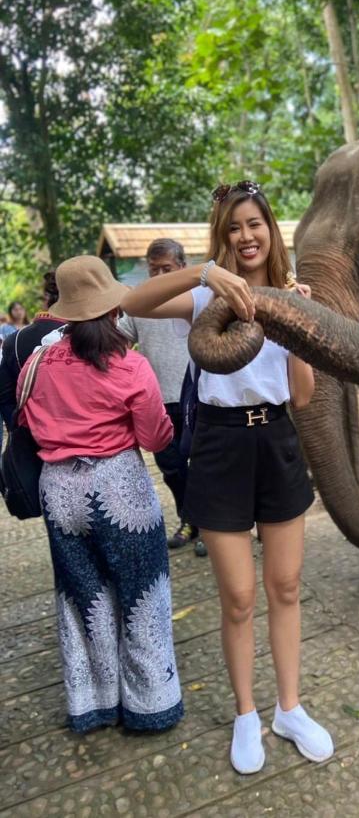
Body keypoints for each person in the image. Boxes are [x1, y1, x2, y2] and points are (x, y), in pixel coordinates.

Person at [121, 179, 333, 774]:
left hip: (278, 441)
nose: (246, 236)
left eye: (255, 224)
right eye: (235, 226)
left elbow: (303, 394)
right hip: (218, 444)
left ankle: (289, 708)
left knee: (285, 587)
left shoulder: (294, 296)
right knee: (238, 597)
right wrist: (202, 276)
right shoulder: (207, 299)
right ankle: (247, 714)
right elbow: (128, 302)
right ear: (223, 235)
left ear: (271, 231)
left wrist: (299, 325)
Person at [18, 255, 183, 733]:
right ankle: (150, 704)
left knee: (82, 597)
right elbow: (155, 437)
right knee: (141, 591)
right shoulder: (129, 365)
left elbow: (27, 423)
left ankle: (94, 702)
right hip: (118, 487)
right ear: (113, 307)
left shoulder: (36, 362)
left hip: (58, 493)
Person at [118, 239, 206, 556]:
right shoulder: (142, 303)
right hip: (155, 402)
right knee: (171, 467)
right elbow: (119, 343)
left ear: (182, 267)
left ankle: (208, 527)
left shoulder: (197, 298)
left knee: (202, 466)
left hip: (196, 398)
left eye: (166, 269)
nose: (158, 275)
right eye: (153, 269)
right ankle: (188, 520)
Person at [0, 271, 66, 428]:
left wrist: (18, 429)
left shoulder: (14, 340)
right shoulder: (89, 335)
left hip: (30, 435)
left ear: (46, 299)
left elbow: (4, 397)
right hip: (80, 439)